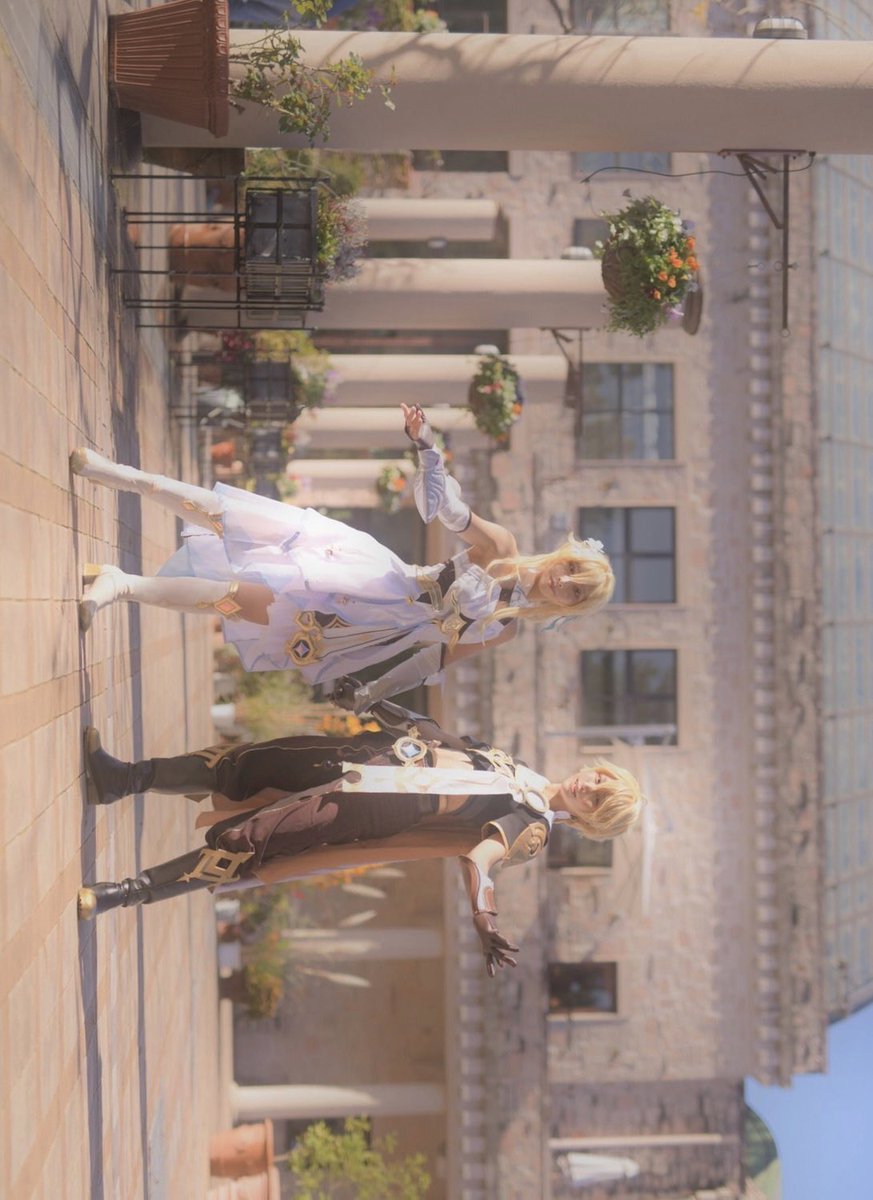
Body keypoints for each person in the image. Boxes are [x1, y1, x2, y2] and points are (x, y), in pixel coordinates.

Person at [69, 404, 614, 708]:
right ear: (565, 555)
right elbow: (449, 512)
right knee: (233, 517)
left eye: (575, 593)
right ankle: (119, 475)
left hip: (364, 628)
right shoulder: (503, 550)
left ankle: (121, 585)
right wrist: (427, 448)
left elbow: (433, 659)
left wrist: (373, 691)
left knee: (232, 601)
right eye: (573, 571)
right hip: (371, 574)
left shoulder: (505, 631)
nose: (563, 583)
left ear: (568, 607)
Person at [76, 703, 644, 976]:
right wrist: (386, 707)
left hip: (377, 806)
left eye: (598, 801)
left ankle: (122, 893)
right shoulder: (520, 767)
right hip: (371, 755)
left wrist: (484, 916)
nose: (588, 787)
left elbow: (481, 857)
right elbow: (446, 741)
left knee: (248, 844)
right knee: (243, 764)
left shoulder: (535, 824)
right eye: (599, 779)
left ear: (591, 823)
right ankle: (121, 779)